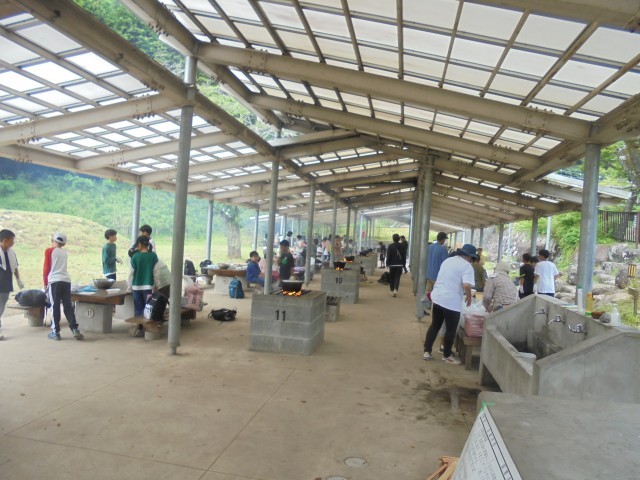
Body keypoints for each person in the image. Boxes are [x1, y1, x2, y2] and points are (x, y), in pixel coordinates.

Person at [423, 243, 478, 365]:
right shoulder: (467, 266)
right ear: (470, 257)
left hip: (438, 297)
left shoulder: (448, 260)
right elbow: (466, 285)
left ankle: (427, 351)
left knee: (435, 325)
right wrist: (469, 297)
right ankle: (447, 355)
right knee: (450, 330)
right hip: (451, 302)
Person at [47, 232, 84, 341]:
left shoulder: (49, 251)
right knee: (68, 306)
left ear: (53, 241)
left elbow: (46, 267)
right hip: (66, 281)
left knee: (55, 306)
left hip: (54, 281)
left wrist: (45, 282)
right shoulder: (64, 252)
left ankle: (55, 332)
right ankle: (75, 329)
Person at [127, 236, 159, 337]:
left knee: (138, 307)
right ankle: (147, 329)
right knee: (148, 308)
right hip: (148, 287)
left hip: (136, 287)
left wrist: (129, 287)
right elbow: (156, 272)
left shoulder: (135, 257)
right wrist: (157, 284)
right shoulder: (153, 256)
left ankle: (138, 328)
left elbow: (130, 274)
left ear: (139, 245)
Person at [0, 229, 24, 340]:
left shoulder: (11, 252)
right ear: (5, 240)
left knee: (2, 305)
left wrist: (18, 279)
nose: (13, 243)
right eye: (12, 240)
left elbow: (15, 267)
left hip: (6, 283)